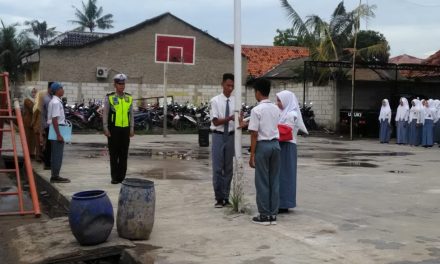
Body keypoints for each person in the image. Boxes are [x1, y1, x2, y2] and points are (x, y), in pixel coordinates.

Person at [248, 78, 281, 225]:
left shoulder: (256, 110)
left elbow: (254, 133)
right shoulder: (275, 108)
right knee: (274, 180)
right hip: (275, 145)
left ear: (258, 92)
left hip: (263, 145)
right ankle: (273, 214)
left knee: (262, 181)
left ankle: (264, 215)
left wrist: (252, 154)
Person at [275, 90, 308, 214]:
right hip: (281, 145)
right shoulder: (283, 113)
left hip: (287, 147)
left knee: (286, 175)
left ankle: (285, 203)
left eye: (279, 100)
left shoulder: (291, 114)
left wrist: (271, 129)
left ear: (286, 100)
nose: (277, 103)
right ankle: (280, 202)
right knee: (280, 174)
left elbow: (286, 132)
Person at [103, 73, 134, 184]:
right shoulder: (110, 97)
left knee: (124, 154)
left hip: (125, 129)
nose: (122, 86)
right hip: (113, 129)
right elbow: (105, 113)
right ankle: (114, 177)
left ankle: (122, 177)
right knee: (114, 154)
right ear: (115, 85)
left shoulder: (129, 98)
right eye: (119, 84)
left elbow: (131, 114)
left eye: (123, 84)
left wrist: (131, 128)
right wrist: (105, 128)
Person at [210, 73, 235, 208]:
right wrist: (230, 118)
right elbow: (215, 121)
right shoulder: (215, 101)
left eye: (232, 86)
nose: (230, 88)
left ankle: (226, 196)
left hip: (230, 136)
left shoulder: (236, 101)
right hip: (218, 135)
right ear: (222, 84)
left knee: (229, 168)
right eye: (228, 85)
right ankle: (219, 198)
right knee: (218, 168)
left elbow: (238, 119)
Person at [47, 82, 70, 183]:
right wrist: (58, 134)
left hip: (58, 128)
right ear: (57, 90)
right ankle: (55, 176)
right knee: (57, 154)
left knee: (56, 153)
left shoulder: (56, 101)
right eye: (61, 88)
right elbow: (55, 119)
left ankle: (55, 175)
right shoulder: (56, 102)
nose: (63, 90)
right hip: (57, 129)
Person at [22, 86, 37, 158]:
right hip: (28, 121)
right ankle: (27, 152)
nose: (34, 93)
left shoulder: (34, 100)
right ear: (29, 92)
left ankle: (31, 153)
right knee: (27, 137)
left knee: (33, 137)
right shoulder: (27, 100)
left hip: (33, 121)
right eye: (32, 92)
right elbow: (33, 108)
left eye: (35, 92)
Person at [42, 82, 53, 170]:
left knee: (49, 144)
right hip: (48, 125)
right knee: (49, 145)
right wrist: (45, 125)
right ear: (49, 88)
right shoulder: (47, 99)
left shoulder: (50, 98)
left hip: (48, 124)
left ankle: (48, 162)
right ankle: (47, 163)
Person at [31, 90, 45, 162]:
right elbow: (34, 117)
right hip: (38, 127)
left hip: (43, 127)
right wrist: (32, 124)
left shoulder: (44, 105)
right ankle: (38, 156)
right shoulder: (37, 106)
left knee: (41, 142)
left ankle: (40, 155)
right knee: (37, 142)